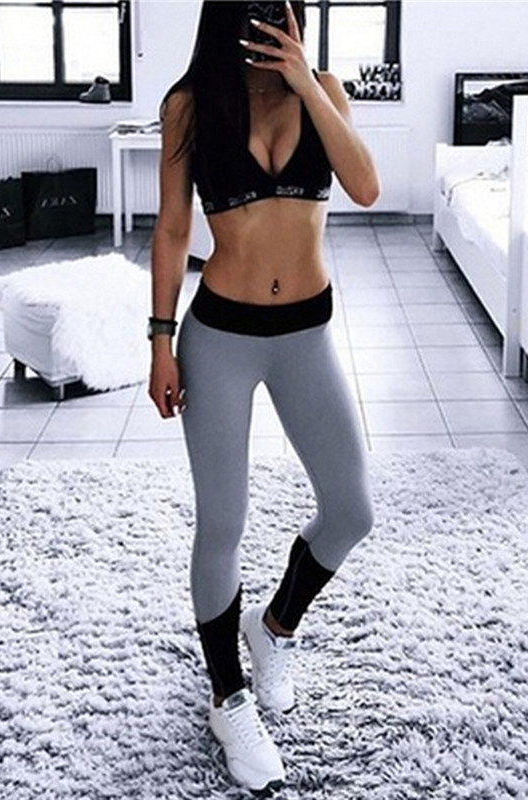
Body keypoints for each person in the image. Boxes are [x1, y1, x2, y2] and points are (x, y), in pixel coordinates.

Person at [148, 1, 380, 794]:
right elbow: (173, 230)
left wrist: (306, 82)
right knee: (223, 523)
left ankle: (274, 626)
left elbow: (367, 187)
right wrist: (159, 341)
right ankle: (228, 697)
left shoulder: (324, 90)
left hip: (305, 336)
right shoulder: (190, 104)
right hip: (220, 338)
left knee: (351, 510)